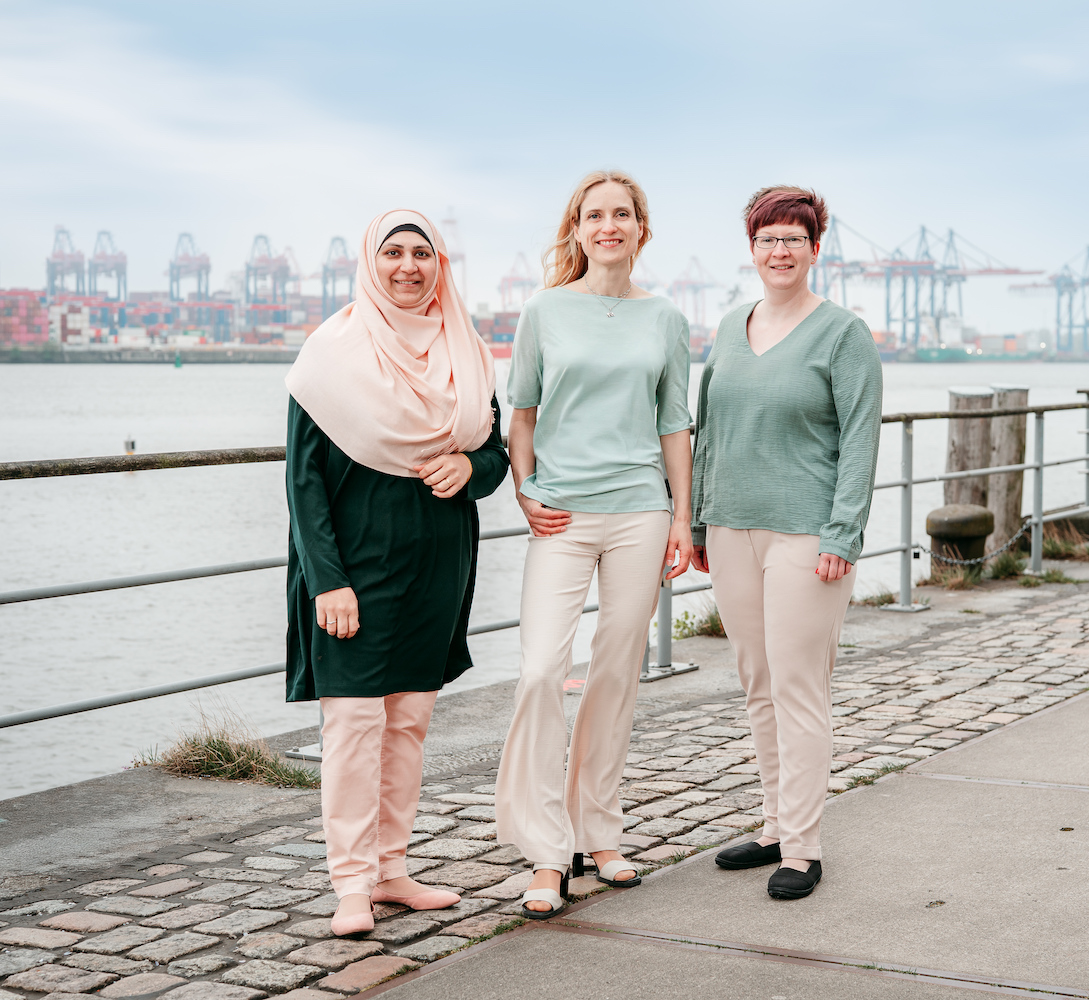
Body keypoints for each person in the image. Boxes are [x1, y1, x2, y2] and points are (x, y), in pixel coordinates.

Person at [285, 209, 509, 936]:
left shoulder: (466, 350)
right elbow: (304, 482)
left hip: (437, 561)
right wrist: (327, 579)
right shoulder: (330, 355)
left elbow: (498, 453)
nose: (408, 266)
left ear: (440, 265)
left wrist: (468, 465)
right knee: (352, 722)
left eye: (422, 253)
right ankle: (350, 884)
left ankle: (390, 870)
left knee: (408, 722)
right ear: (369, 262)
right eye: (394, 253)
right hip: (354, 566)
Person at [495, 171, 693, 919]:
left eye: (621, 214)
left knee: (616, 674)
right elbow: (521, 413)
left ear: (642, 228)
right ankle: (546, 854)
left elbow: (675, 422)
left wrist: (681, 517)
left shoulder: (666, 318)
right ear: (576, 229)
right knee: (543, 670)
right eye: (593, 215)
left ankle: (598, 834)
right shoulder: (544, 309)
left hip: (642, 511)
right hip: (564, 517)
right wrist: (526, 487)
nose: (608, 226)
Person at [690, 186, 882, 900]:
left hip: (807, 536)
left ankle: (803, 847)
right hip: (731, 528)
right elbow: (708, 427)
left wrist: (844, 534)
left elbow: (860, 441)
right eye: (767, 239)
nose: (779, 252)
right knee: (757, 684)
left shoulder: (842, 334)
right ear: (751, 249)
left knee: (800, 688)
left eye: (792, 239)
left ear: (814, 249)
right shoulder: (729, 327)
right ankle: (773, 823)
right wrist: (700, 519)